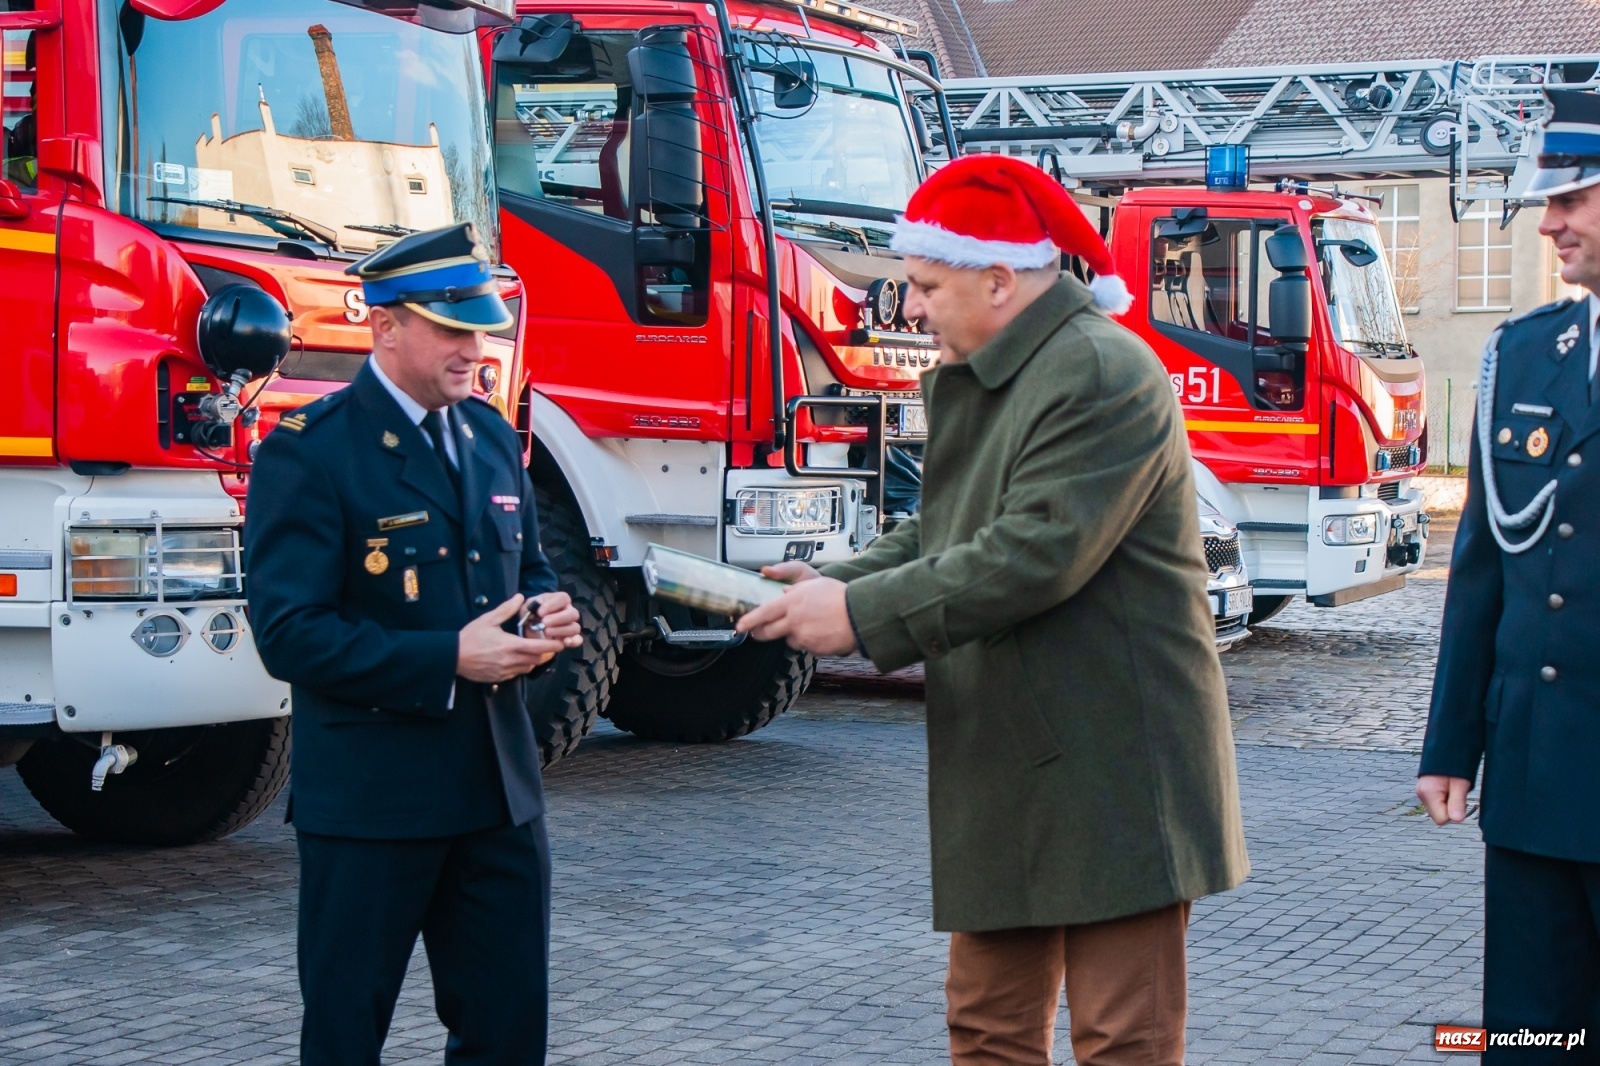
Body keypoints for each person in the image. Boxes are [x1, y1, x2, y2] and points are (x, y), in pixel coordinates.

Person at [737, 155, 1249, 1066]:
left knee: (1121, 1040)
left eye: (929, 285)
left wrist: (859, 615)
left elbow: (1032, 553)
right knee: (986, 1029)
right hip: (1020, 753)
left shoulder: (1099, 368)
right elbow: (949, 531)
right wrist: (834, 582)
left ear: (1000, 279)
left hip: (1111, 766)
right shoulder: (1011, 367)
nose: (915, 307)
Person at [245, 222, 583, 1066]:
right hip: (374, 806)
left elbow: (528, 571)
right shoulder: (311, 455)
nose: (476, 346)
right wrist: (446, 659)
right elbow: (288, 634)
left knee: (508, 1038)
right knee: (345, 1038)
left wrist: (545, 615)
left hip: (498, 798)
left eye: (480, 326)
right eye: (454, 328)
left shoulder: (493, 439)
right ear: (385, 326)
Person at [1418, 87, 1600, 1059]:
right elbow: (1482, 565)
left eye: (1573, 194)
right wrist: (1449, 744)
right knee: (1535, 1041)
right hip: (1532, 786)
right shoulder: (1524, 355)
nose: (1549, 219)